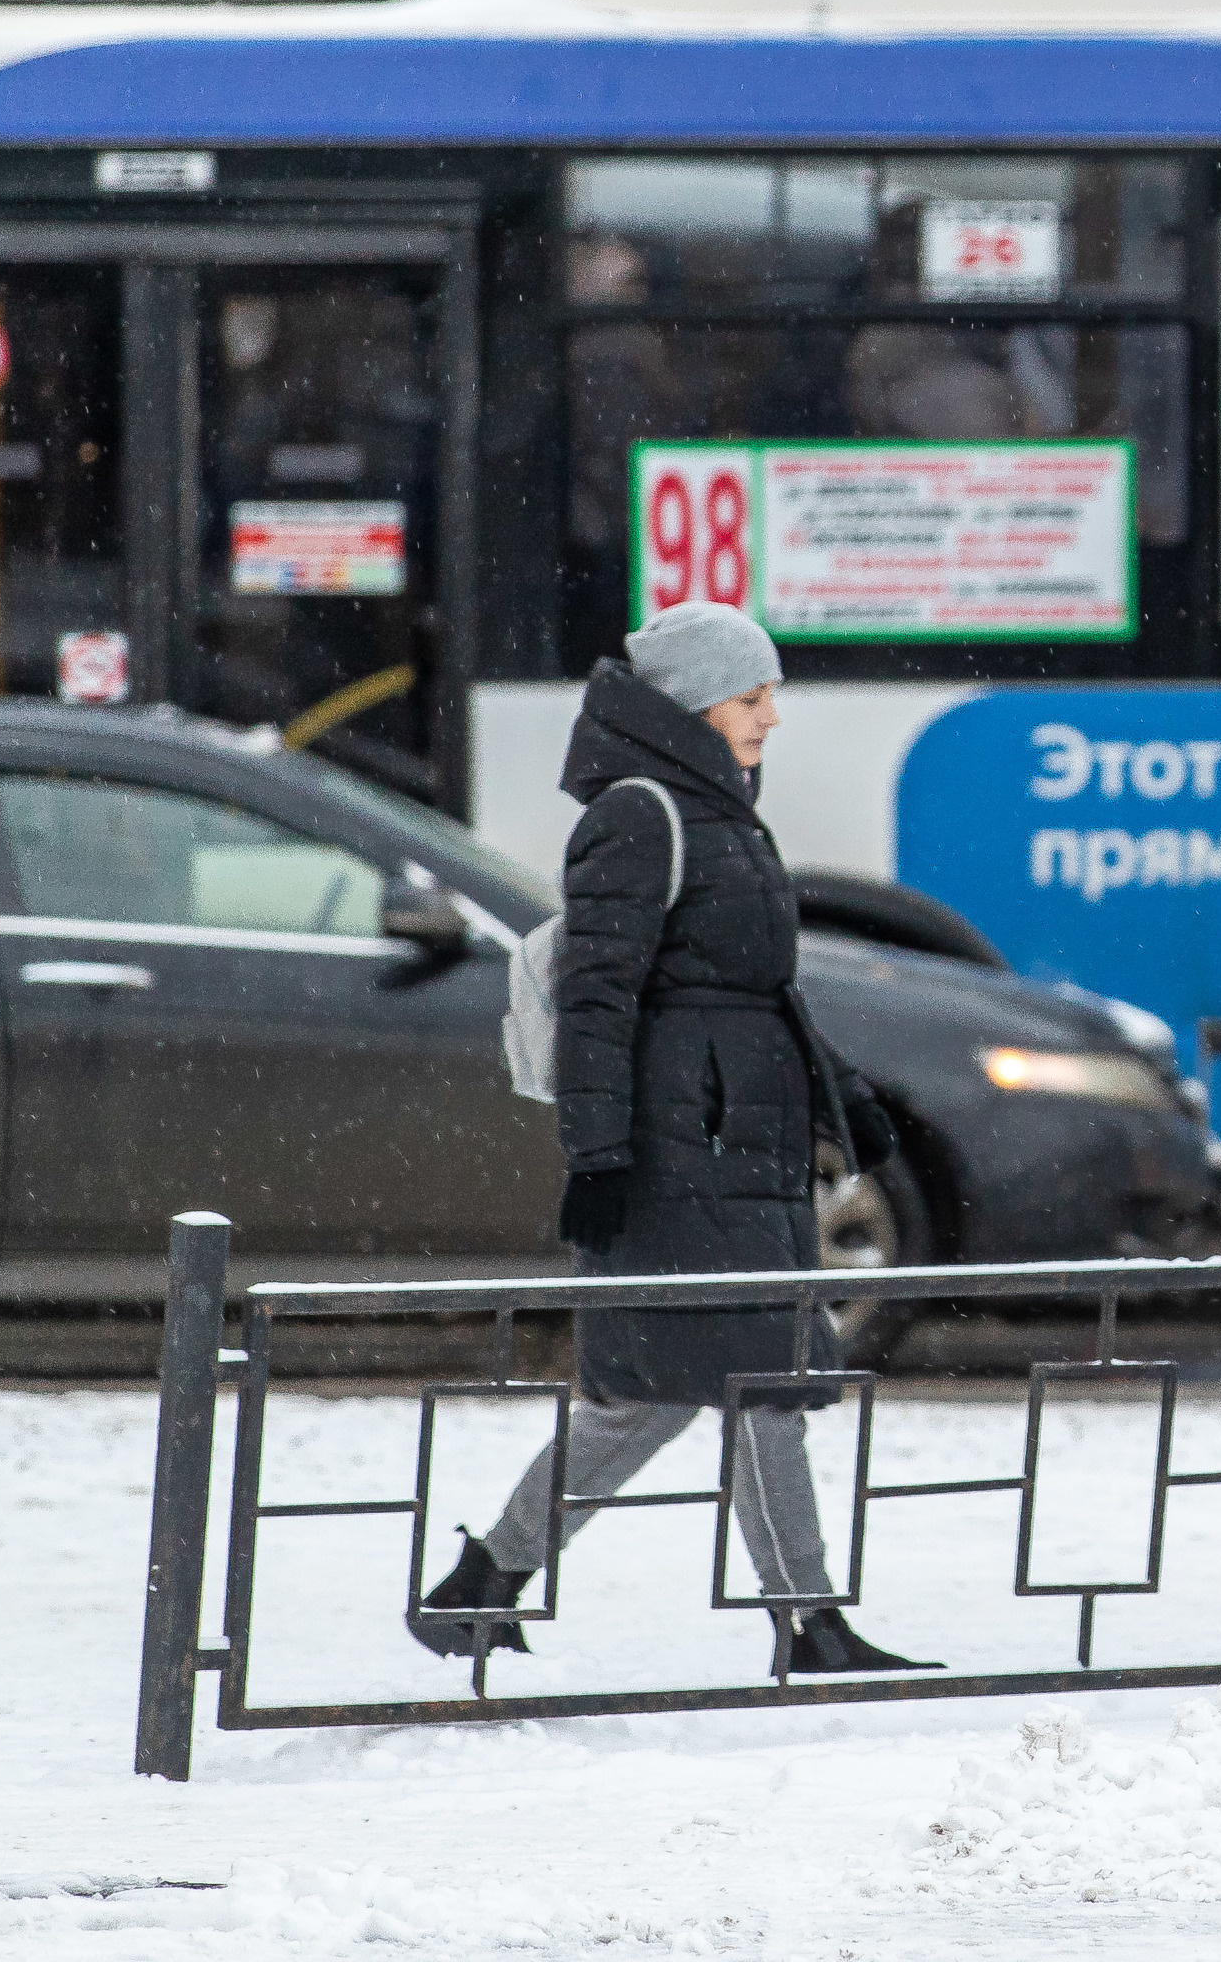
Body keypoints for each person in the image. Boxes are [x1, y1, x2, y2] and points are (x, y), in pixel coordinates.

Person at [410, 600, 933, 1674]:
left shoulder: (723, 813)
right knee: (755, 1382)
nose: (771, 717)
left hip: (740, 1151)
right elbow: (601, 1000)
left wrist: (847, 1095)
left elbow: (752, 993)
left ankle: (485, 1580)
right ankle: (808, 1622)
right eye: (753, 696)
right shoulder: (640, 815)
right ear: (696, 703)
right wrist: (597, 1156)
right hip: (677, 1158)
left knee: (667, 1393)